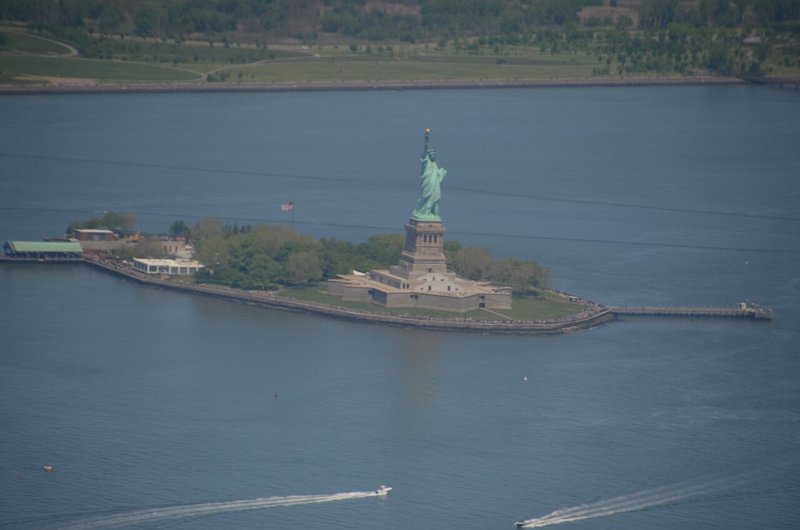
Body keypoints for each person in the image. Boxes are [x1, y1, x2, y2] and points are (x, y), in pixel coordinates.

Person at [412, 144, 447, 221]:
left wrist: (442, 174)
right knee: (425, 196)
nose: (433, 156)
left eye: (434, 155)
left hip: (434, 184)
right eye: (431, 155)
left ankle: (429, 213)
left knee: (433, 197)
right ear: (429, 156)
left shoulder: (435, 164)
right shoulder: (426, 163)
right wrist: (426, 142)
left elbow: (438, 176)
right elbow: (424, 154)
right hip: (427, 183)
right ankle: (422, 212)